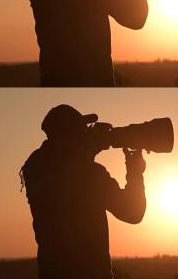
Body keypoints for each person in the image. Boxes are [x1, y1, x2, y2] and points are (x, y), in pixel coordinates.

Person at [21, 104, 146, 279]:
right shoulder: (90, 173)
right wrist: (135, 172)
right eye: (80, 131)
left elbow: (64, 175)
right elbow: (133, 213)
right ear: (64, 137)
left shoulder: (35, 167)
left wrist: (88, 152)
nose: (86, 134)